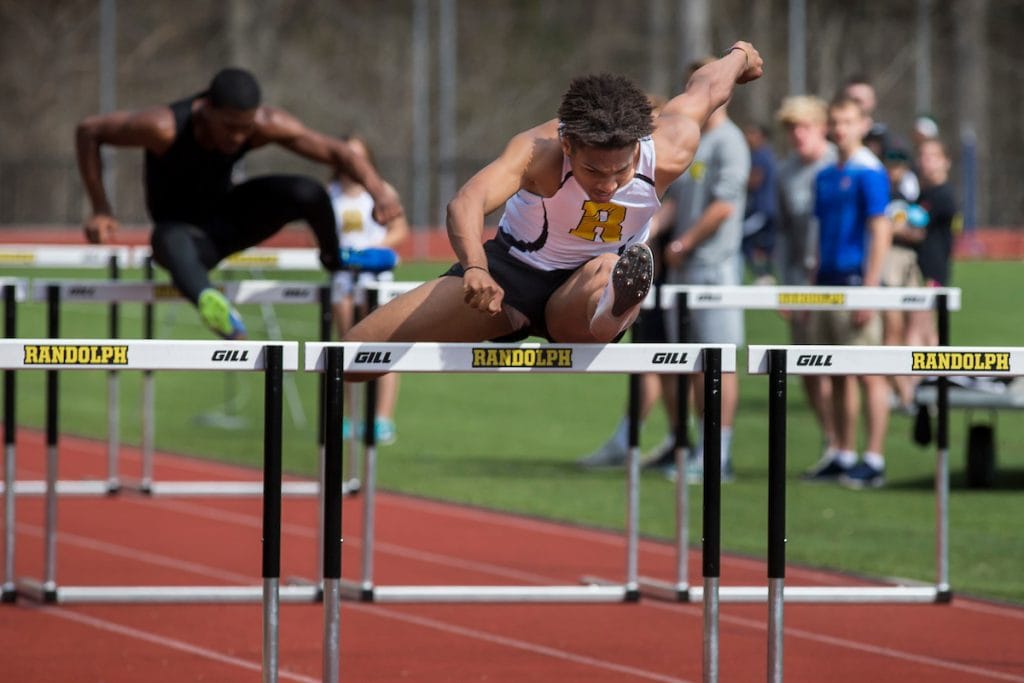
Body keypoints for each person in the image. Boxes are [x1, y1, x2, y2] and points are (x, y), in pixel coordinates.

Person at [344, 45, 764, 364]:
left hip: (584, 290)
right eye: (593, 171)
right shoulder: (537, 153)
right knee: (351, 357)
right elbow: (468, 200)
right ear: (567, 144)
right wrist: (474, 266)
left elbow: (707, 87)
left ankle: (611, 311)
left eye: (620, 170)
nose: (609, 184)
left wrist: (740, 54)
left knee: (610, 266)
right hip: (511, 276)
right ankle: (607, 311)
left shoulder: (669, 147)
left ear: (638, 145)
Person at [75, 67, 404, 339]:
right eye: (229, 127)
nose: (236, 138)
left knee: (308, 191)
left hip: (229, 219)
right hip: (186, 238)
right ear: (207, 109)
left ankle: (337, 258)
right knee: (165, 238)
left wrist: (380, 192)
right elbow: (89, 131)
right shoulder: (163, 127)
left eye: (244, 130)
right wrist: (101, 207)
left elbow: (338, 152)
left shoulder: (262, 124)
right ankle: (212, 303)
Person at [647, 56, 751, 483]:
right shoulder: (691, 140)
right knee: (692, 364)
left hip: (714, 269)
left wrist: (686, 243)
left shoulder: (730, 142)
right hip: (684, 269)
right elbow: (673, 203)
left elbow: (724, 206)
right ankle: (697, 448)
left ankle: (719, 454)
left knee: (719, 363)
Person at [803, 95, 892, 489]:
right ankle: (842, 451)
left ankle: (873, 458)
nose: (841, 129)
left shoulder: (869, 171)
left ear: (862, 124)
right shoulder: (824, 174)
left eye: (848, 122)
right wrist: (812, 281)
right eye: (835, 122)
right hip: (827, 283)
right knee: (833, 372)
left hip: (857, 281)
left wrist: (870, 288)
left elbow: (880, 229)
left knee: (868, 372)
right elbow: (821, 232)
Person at [328, 135, 409, 444]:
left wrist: (373, 251)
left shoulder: (382, 191)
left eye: (358, 155)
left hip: (375, 277)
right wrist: (342, 256)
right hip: (343, 278)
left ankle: (382, 418)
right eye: (347, 155)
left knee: (381, 343)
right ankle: (350, 416)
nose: (353, 162)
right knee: (346, 345)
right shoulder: (330, 193)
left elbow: (398, 230)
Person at [772, 95, 840, 467]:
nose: (798, 135)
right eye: (791, 129)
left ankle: (849, 446)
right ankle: (830, 439)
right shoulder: (786, 172)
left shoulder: (838, 164)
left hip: (837, 277)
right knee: (808, 366)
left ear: (822, 127)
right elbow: (782, 231)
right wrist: (785, 284)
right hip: (801, 278)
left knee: (844, 368)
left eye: (804, 127)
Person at [880, 146, 928, 411]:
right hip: (889, 265)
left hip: (908, 265)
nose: (895, 171)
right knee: (892, 329)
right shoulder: (882, 194)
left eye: (899, 166)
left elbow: (917, 232)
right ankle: (899, 390)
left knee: (915, 327)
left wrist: (901, 230)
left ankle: (911, 388)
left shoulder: (908, 197)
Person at [741, 122, 777, 284]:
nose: (748, 137)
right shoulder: (759, 154)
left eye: (752, 133)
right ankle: (763, 273)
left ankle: (763, 275)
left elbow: (755, 180)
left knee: (740, 235)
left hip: (762, 210)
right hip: (759, 210)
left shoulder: (761, 156)